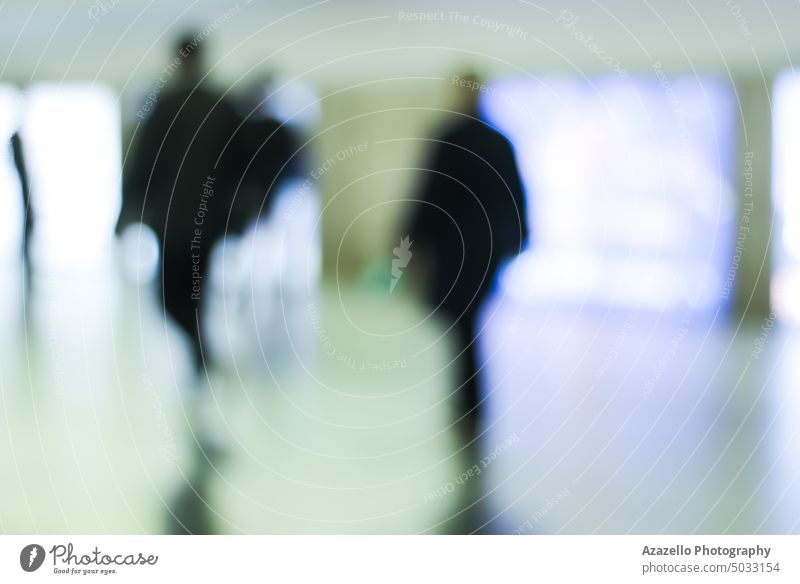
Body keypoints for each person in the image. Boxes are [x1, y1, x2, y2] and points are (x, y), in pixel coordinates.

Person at [407, 72, 529, 441]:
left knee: (463, 327)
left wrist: (409, 246)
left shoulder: (450, 139)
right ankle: (469, 405)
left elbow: (428, 199)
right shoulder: (497, 142)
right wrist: (514, 242)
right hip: (483, 252)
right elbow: (515, 199)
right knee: (466, 325)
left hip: (458, 252)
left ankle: (468, 406)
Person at [123, 33, 243, 375]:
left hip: (182, 223)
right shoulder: (215, 106)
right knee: (180, 296)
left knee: (176, 296)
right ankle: (199, 347)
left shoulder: (193, 106)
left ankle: (198, 350)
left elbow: (143, 163)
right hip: (192, 224)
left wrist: (128, 211)